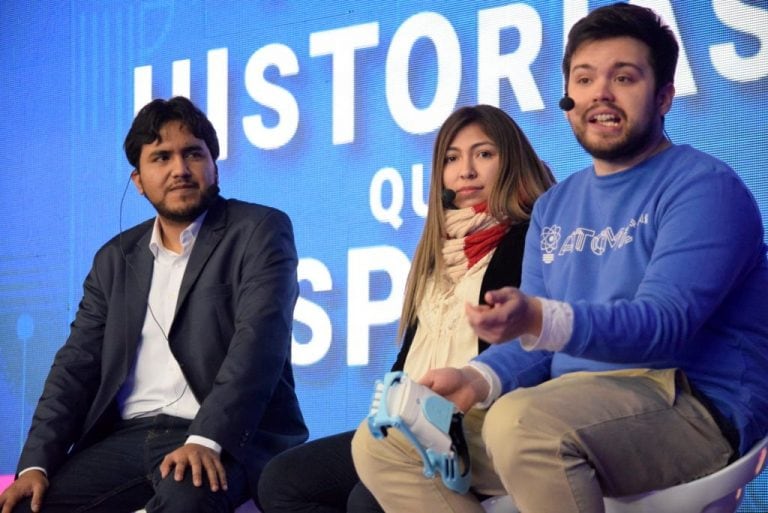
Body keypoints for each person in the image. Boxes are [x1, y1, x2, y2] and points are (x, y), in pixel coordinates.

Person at [352, 4, 768, 513]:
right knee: (385, 444)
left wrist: (540, 318)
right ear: (569, 100)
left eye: (624, 77)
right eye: (585, 78)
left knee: (522, 423)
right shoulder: (555, 205)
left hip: (691, 407)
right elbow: (535, 347)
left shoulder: (704, 186)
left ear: (663, 97)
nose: (601, 93)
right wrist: (477, 379)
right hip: (566, 404)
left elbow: (665, 325)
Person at [0, 96, 308, 513]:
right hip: (127, 438)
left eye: (193, 154)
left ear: (214, 166)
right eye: (161, 157)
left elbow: (258, 347)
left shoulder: (258, 230)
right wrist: (35, 465)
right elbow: (75, 367)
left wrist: (204, 439)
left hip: (227, 436)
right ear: (139, 180)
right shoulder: (115, 259)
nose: (179, 169)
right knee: (25, 508)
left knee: (186, 501)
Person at [257, 105, 555, 513]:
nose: (466, 171)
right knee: (282, 481)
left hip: (477, 422)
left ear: (512, 160)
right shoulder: (437, 251)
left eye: (483, 154)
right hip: (412, 422)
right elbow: (409, 358)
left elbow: (531, 350)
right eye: (452, 159)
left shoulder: (532, 237)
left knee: (365, 501)